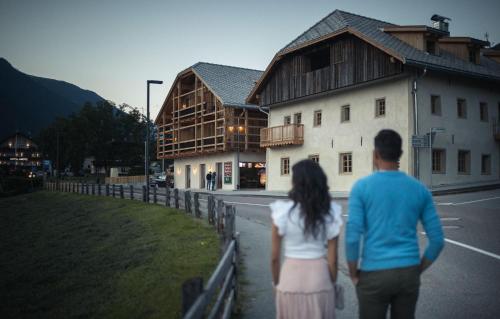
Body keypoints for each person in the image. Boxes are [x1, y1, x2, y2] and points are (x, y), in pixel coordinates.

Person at [346, 129, 445, 319]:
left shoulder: (361, 187)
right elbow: (438, 241)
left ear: (375, 154)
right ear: (400, 154)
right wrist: (417, 269)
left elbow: (352, 237)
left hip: (373, 273)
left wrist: (353, 273)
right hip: (408, 273)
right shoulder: (419, 189)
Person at [270, 159, 343, 319]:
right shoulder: (330, 213)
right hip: (320, 280)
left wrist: (276, 284)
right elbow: (333, 260)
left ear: (295, 182)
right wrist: (332, 283)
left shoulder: (282, 213)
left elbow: (275, 258)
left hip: (289, 280)